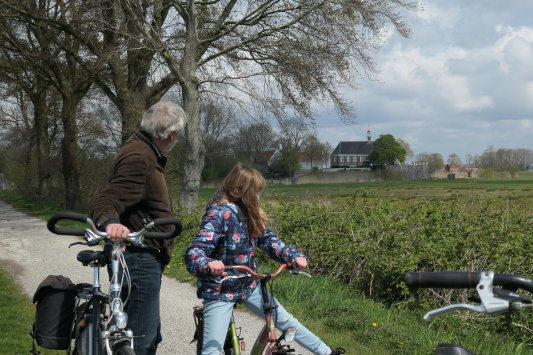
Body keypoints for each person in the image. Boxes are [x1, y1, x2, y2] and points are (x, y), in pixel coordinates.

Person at [185, 163, 345, 355]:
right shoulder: (218, 214)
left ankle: (326, 352)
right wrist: (207, 263)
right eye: (257, 192)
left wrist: (293, 256)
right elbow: (194, 252)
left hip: (248, 284)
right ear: (244, 192)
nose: (259, 197)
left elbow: (269, 240)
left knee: (286, 321)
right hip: (220, 288)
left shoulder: (250, 214)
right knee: (212, 349)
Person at [91, 101, 187, 355]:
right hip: (138, 259)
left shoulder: (144, 150)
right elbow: (106, 201)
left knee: (145, 334)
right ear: (171, 135)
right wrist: (112, 224)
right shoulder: (140, 157)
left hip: (142, 257)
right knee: (139, 340)